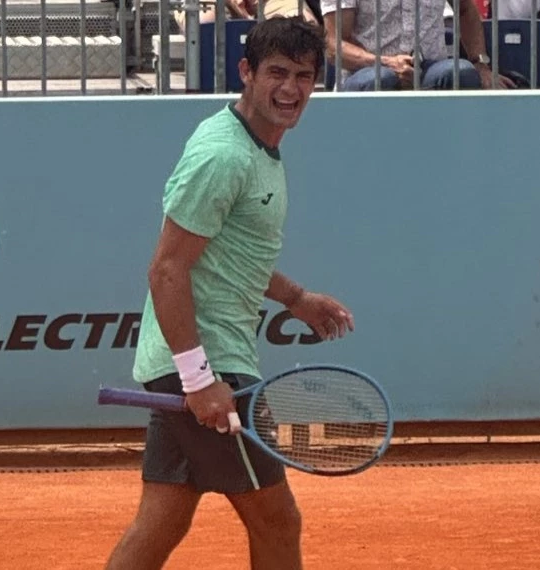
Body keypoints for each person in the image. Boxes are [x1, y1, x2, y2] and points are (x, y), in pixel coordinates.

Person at [104, 16, 355, 570]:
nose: (290, 89)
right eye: (277, 73)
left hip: (190, 361)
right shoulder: (224, 156)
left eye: (304, 76)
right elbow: (167, 270)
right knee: (276, 520)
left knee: (163, 520)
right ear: (247, 72)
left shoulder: (254, 149)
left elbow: (233, 257)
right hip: (205, 364)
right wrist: (199, 379)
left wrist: (296, 298)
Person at [321, 0, 516, 90]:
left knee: (460, 72)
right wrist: (386, 63)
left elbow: (466, 10)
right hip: (365, 73)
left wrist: (481, 65)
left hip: (429, 70)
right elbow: (333, 45)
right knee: (381, 78)